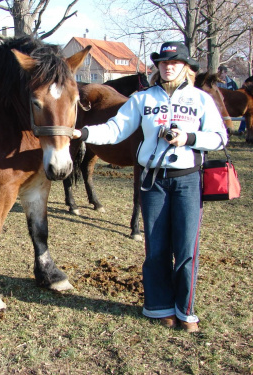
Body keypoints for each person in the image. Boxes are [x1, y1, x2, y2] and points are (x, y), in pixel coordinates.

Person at [73, 41, 228, 333]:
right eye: (163, 62)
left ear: (185, 67)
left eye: (175, 62)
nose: (168, 67)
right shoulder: (141, 99)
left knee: (185, 248)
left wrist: (189, 139)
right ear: (157, 66)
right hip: (153, 181)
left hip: (187, 179)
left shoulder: (201, 100)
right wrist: (83, 132)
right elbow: (116, 129)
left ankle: (186, 309)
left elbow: (220, 137)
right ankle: (159, 306)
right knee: (155, 247)